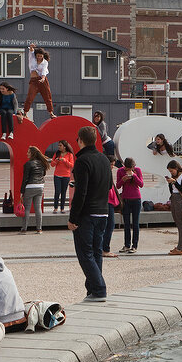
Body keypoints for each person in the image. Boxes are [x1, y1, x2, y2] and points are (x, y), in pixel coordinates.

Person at [68, 125, 111, 301]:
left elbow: (81, 192)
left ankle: (99, 290)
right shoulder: (104, 159)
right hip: (103, 211)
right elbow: (109, 186)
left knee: (85, 253)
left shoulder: (82, 161)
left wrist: (73, 218)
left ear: (80, 140)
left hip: (87, 214)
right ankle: (93, 290)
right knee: (96, 252)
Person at [19, 146, 49, 233]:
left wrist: (22, 192)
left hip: (30, 187)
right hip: (40, 186)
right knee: (38, 208)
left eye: (28, 152)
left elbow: (25, 178)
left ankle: (24, 229)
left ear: (32, 153)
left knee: (27, 208)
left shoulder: (28, 164)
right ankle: (39, 229)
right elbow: (43, 174)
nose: (27, 154)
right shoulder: (42, 163)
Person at [117, 157, 144, 253]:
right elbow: (118, 186)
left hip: (136, 199)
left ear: (133, 167)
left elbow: (141, 184)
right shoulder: (120, 171)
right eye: (126, 168)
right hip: (125, 199)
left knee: (135, 223)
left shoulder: (137, 170)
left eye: (129, 169)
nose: (127, 170)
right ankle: (127, 245)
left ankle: (135, 245)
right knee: (126, 223)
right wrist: (123, 179)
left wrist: (134, 176)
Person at [165, 159, 182, 255]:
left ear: (176, 168)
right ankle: (179, 247)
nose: (171, 173)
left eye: (172, 171)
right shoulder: (174, 177)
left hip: (180, 200)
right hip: (174, 199)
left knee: (181, 224)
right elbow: (172, 190)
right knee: (177, 222)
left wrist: (174, 182)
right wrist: (170, 182)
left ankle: (180, 248)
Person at [23, 44, 55, 116]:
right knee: (30, 97)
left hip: (42, 80)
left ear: (43, 56)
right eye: (38, 56)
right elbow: (31, 51)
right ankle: (25, 112)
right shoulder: (32, 58)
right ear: (36, 55)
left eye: (41, 56)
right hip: (34, 81)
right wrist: (31, 47)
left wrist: (43, 78)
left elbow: (44, 70)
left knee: (47, 96)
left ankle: (51, 112)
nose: (39, 58)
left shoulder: (45, 62)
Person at [50, 140, 75, 213]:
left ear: (64, 146)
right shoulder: (57, 153)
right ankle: (55, 208)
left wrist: (64, 161)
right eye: (58, 145)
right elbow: (52, 164)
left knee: (63, 192)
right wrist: (56, 161)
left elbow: (71, 165)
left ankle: (62, 208)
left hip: (66, 176)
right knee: (57, 191)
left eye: (60, 145)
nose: (59, 147)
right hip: (57, 175)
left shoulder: (69, 154)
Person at [103, 156, 120, 258]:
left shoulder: (104, 172)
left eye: (113, 165)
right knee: (109, 225)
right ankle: (105, 249)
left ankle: (102, 248)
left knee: (106, 226)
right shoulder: (106, 172)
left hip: (107, 201)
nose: (112, 167)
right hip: (107, 201)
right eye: (111, 164)